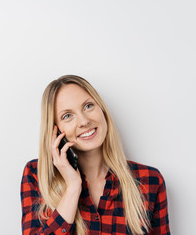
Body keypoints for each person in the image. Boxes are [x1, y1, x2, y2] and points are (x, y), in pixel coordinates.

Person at [20, 75, 170, 235]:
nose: (84, 121)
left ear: (102, 110)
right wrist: (72, 188)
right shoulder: (37, 175)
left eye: (88, 106)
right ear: (54, 130)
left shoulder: (149, 180)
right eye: (67, 116)